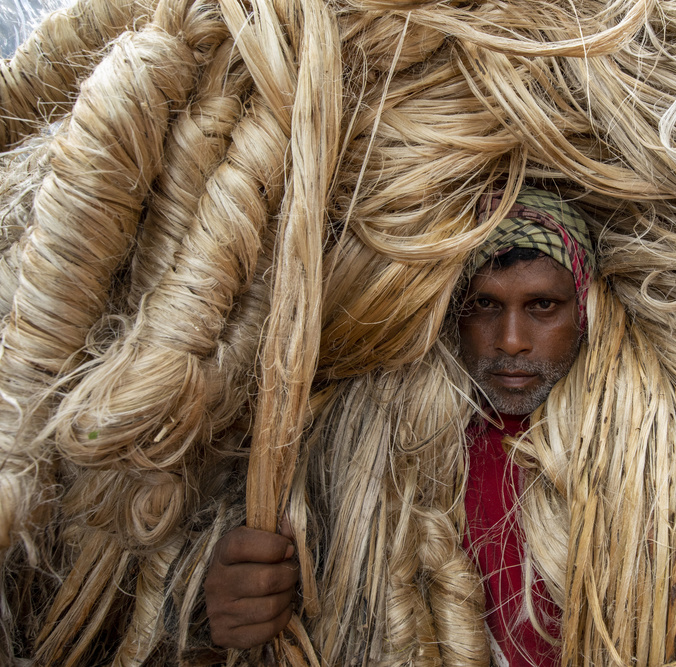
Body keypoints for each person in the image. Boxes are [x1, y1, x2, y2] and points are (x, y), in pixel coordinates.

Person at [204, 186, 595, 667]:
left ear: (584, 311)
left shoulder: (624, 453)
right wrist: (232, 607)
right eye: (485, 306)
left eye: (542, 306)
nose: (511, 342)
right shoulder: (390, 449)